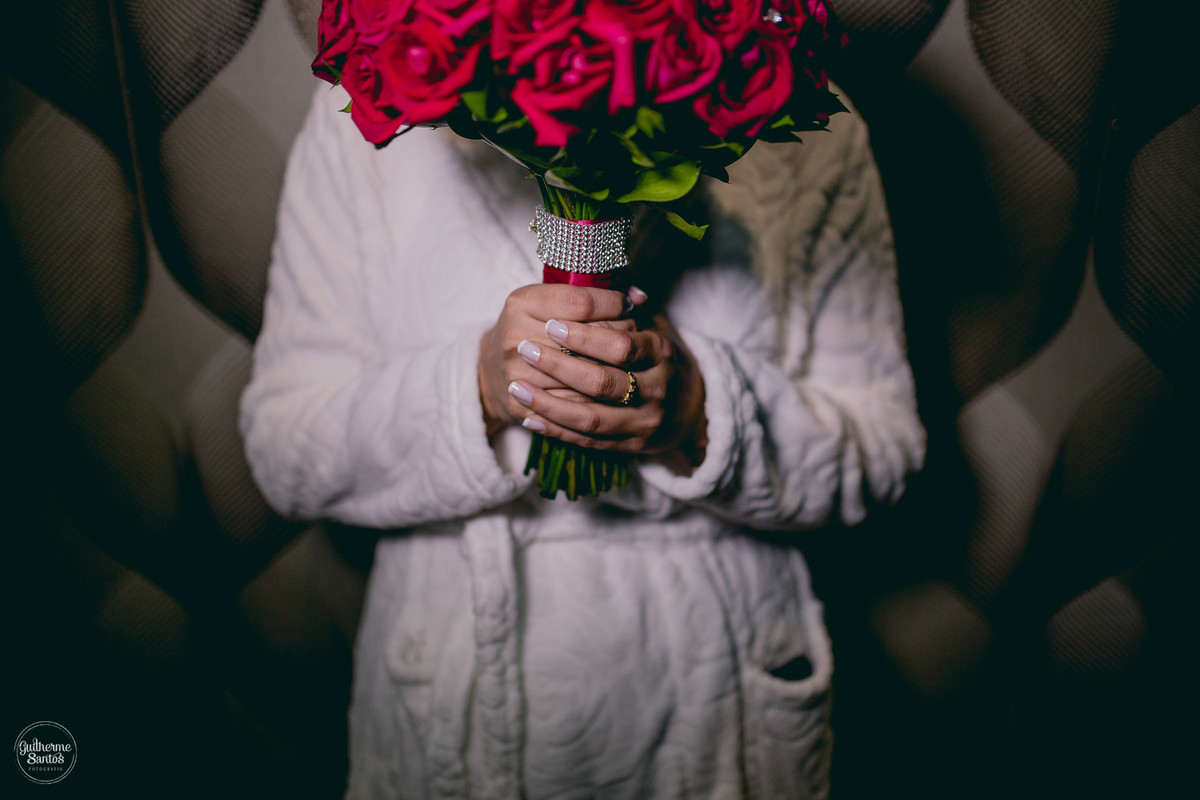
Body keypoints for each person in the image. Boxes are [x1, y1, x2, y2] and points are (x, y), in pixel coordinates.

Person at [240, 82, 924, 800]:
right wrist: (474, 388)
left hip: (721, 709)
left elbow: (883, 450)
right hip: (451, 700)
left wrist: (697, 410)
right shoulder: (381, 90)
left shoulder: (789, 93)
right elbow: (287, 448)